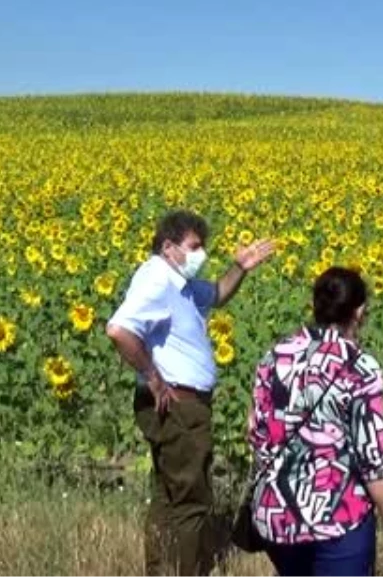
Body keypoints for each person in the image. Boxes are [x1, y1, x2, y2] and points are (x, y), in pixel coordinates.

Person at [105, 209, 276, 577]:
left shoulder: (178, 281)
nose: (202, 254)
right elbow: (119, 330)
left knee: (170, 496)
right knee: (191, 501)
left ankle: (162, 570)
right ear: (169, 247)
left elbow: (216, 294)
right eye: (194, 247)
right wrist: (152, 376)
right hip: (178, 404)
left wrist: (241, 268)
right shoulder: (157, 279)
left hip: (181, 404)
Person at [246, 266, 383, 576]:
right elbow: (374, 455)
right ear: (359, 311)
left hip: (276, 516)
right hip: (336, 517)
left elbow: (256, 431)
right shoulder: (360, 367)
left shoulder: (275, 355)